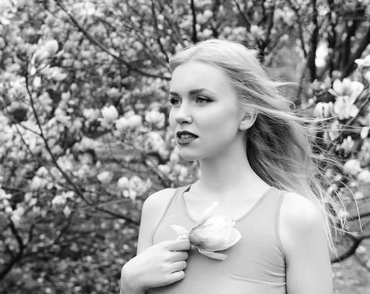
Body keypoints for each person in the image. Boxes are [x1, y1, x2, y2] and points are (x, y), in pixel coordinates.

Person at [119, 39, 341, 294]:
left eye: (201, 99)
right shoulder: (157, 208)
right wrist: (129, 284)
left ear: (246, 115)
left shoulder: (295, 217)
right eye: (174, 101)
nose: (181, 114)